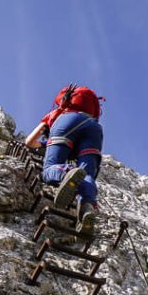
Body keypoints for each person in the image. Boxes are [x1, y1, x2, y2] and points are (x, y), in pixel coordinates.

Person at [25, 84, 104, 233]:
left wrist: (45, 142)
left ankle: (67, 172)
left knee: (49, 169)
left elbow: (29, 142)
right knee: (86, 174)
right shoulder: (91, 119)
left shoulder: (59, 113)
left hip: (68, 122)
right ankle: (87, 207)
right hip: (94, 129)